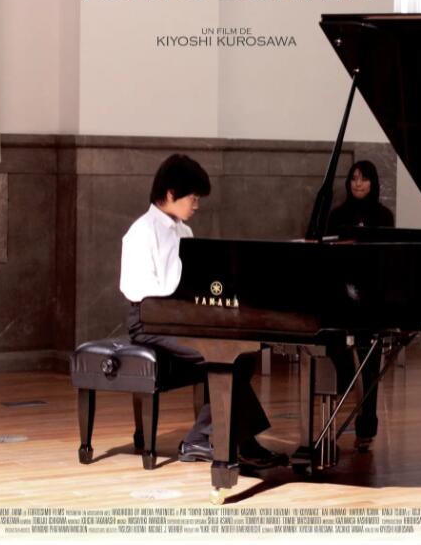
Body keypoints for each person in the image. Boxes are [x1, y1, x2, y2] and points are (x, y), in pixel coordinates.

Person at [119, 153, 286, 469]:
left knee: (243, 353)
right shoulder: (141, 233)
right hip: (149, 322)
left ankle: (202, 437)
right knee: (221, 354)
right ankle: (240, 442)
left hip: (182, 320)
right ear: (171, 194)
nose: (196, 205)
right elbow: (137, 290)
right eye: (193, 198)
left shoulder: (185, 232)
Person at [327, 160, 394, 448]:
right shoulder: (336, 215)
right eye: (353, 178)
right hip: (339, 297)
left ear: (373, 182)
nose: (357, 183)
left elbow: (385, 260)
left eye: (364, 179)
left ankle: (366, 430)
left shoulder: (384, 216)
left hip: (371, 299)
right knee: (337, 353)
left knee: (370, 365)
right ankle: (340, 393)